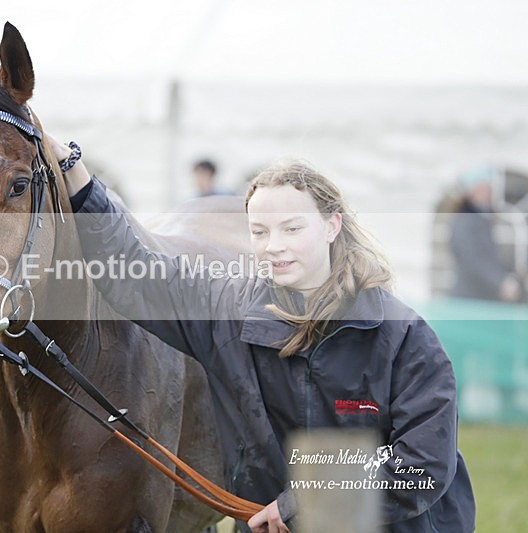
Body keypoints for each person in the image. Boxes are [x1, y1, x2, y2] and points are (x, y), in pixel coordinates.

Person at [49, 137, 475, 532]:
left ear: (331, 227)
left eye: (292, 228)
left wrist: (299, 504)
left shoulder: (405, 339)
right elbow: (136, 272)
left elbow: (422, 467)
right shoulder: (226, 311)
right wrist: (76, 174)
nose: (274, 246)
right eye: (259, 232)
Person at [448, 164, 523, 302]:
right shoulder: (465, 220)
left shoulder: (481, 219)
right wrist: (501, 282)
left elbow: (489, 257)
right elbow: (472, 259)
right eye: (483, 189)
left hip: (481, 299)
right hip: (468, 301)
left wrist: (512, 276)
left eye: (489, 189)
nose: (488, 193)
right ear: (472, 192)